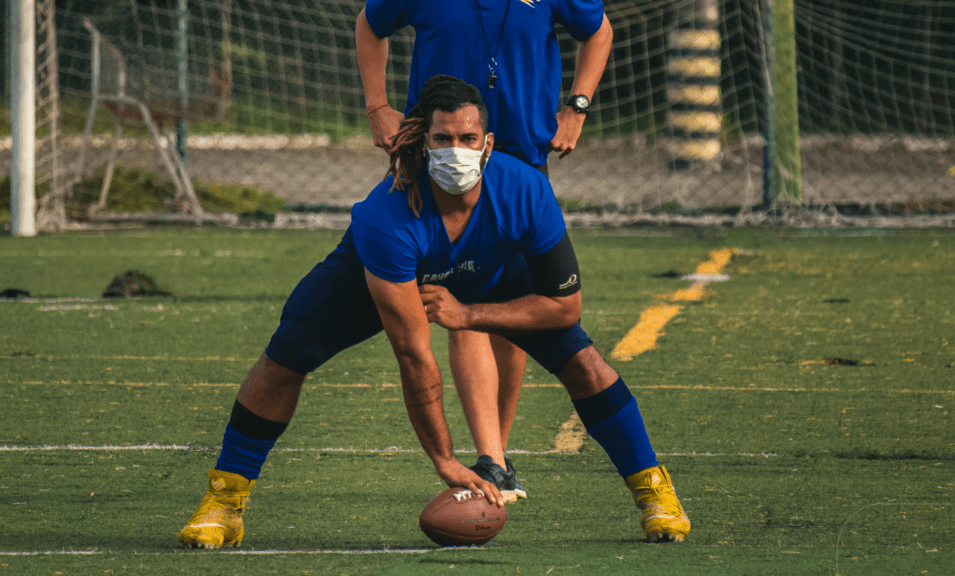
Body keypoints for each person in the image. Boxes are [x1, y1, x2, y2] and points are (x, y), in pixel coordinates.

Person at [178, 76, 690, 549]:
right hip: (381, 275)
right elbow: (414, 356)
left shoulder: (527, 190)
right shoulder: (388, 216)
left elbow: (563, 306)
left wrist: (472, 316)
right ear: (425, 144)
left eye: (468, 139)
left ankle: (652, 490)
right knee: (287, 353)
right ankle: (225, 500)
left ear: (488, 145)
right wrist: (445, 461)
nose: (455, 151)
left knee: (584, 362)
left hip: (491, 273)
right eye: (442, 139)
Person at [356, 0, 615, 501]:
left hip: (519, 156)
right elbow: (371, 24)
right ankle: (492, 459)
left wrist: (577, 108)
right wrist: (377, 106)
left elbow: (598, 31)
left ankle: (496, 453)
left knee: (506, 309)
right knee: (460, 300)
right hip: (441, 155)